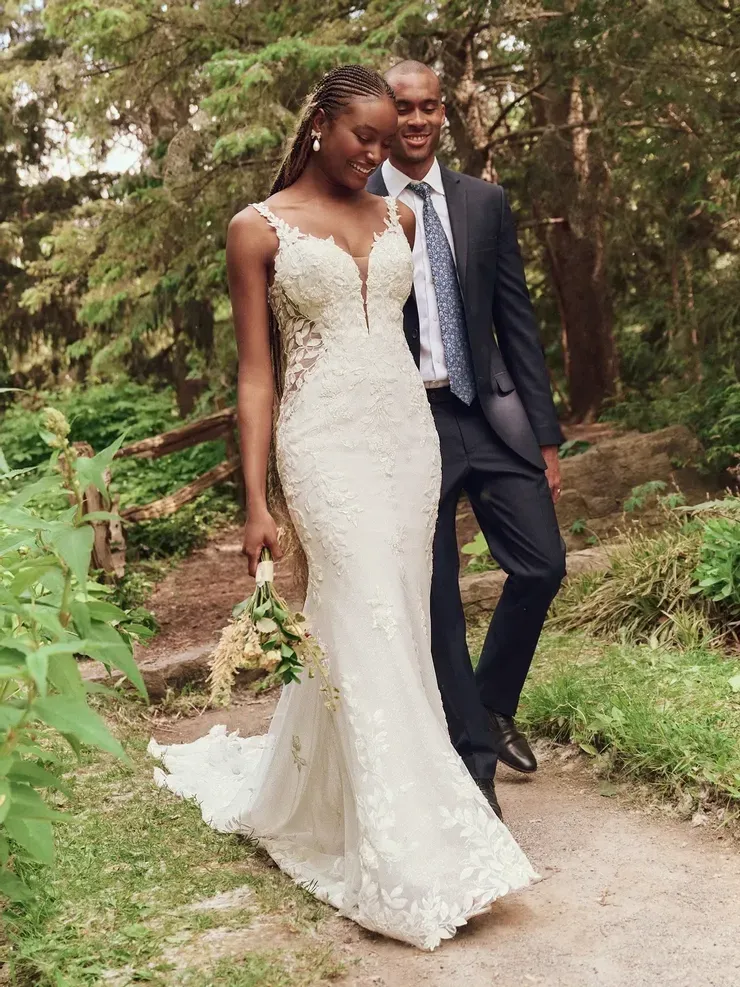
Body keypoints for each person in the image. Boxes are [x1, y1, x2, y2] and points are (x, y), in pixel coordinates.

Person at [149, 65, 536, 952]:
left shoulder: (398, 215)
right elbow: (256, 375)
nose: (378, 149)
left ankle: (349, 795)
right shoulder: (258, 229)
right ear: (319, 124)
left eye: (386, 132)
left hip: (406, 442)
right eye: (363, 133)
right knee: (360, 612)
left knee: (391, 622)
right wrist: (257, 497)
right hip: (321, 443)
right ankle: (414, 848)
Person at [367, 61, 566, 815]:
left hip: (491, 412)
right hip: (408, 421)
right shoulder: (358, 202)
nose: (415, 122)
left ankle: (489, 700)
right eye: (402, 110)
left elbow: (516, 320)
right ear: (386, 119)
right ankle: (473, 764)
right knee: (440, 596)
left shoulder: (485, 200)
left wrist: (545, 438)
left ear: (444, 114)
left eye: (427, 108)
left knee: (543, 564)